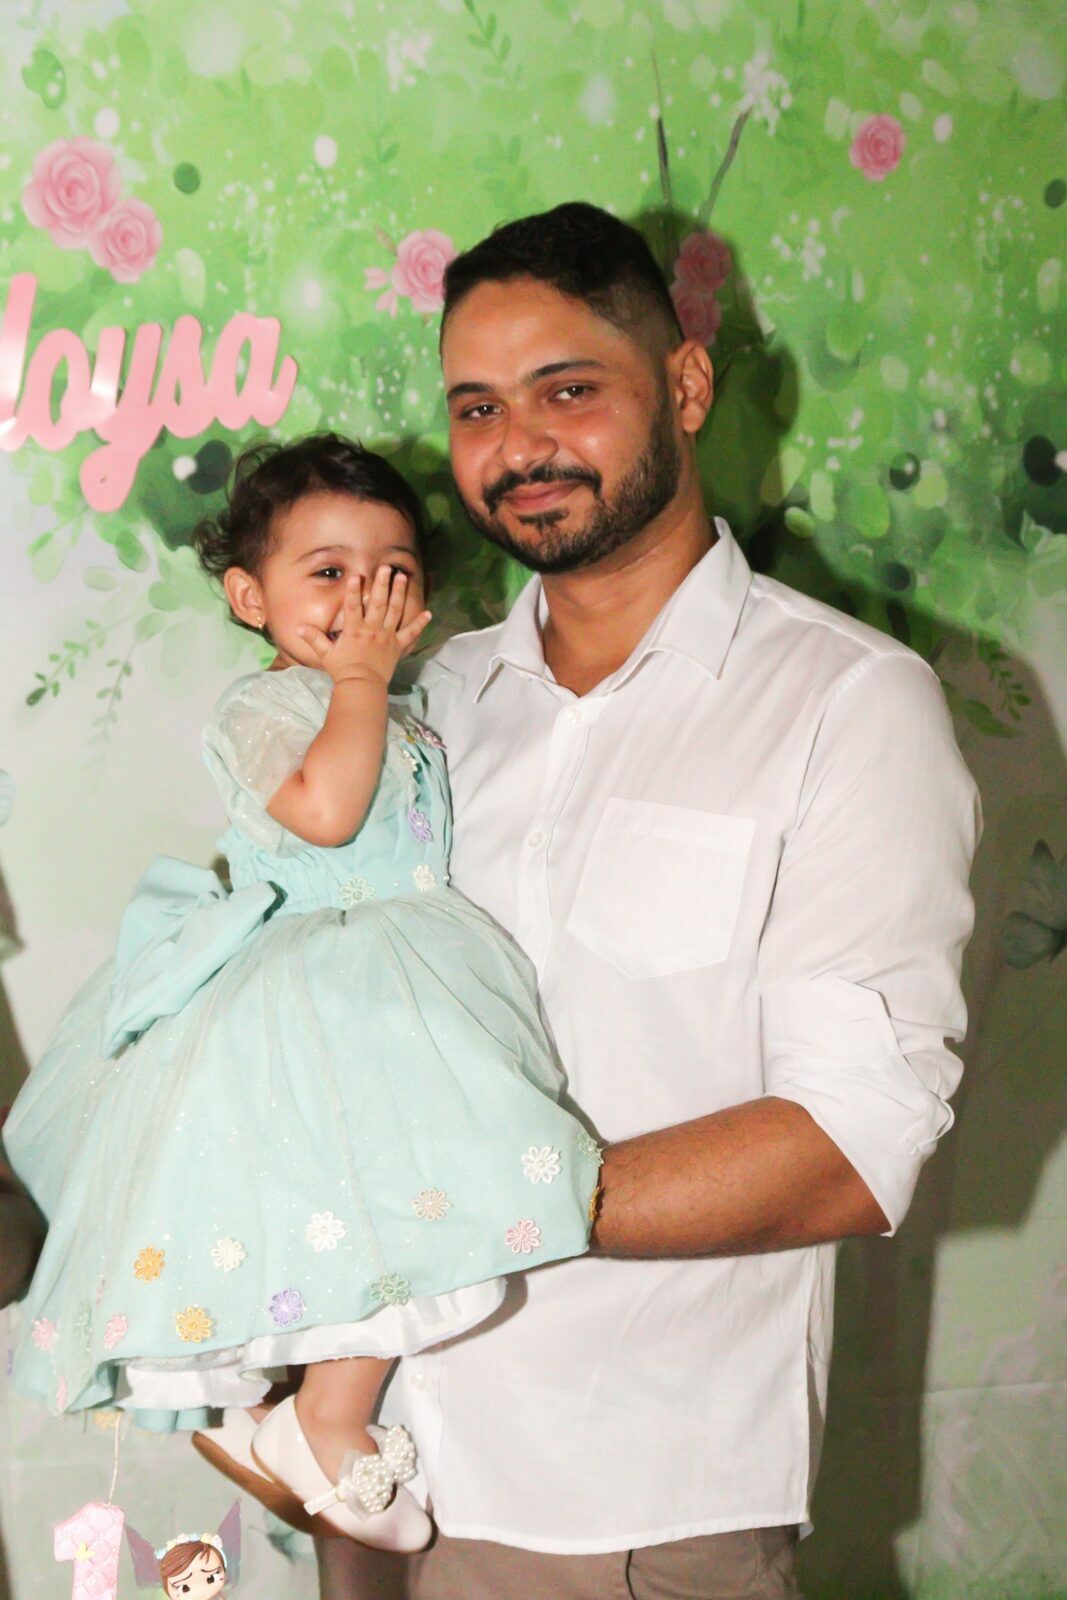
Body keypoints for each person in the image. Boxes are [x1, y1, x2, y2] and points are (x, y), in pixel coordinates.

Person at [317, 202, 980, 1599]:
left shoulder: (844, 704)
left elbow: (849, 1142)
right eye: (476, 407)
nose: (517, 446)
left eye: (566, 390)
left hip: (635, 1510)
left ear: (683, 385)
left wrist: (487, 1198)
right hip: (377, 1477)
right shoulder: (427, 707)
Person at [2, 434, 600, 1553]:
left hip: (409, 967)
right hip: (329, 980)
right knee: (377, 1192)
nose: (363, 598)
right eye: (328, 573)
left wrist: (374, 689)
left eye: (392, 572)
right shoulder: (265, 707)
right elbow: (324, 813)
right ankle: (324, 1411)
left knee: (414, 1198)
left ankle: (307, 1414)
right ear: (249, 597)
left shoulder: (403, 705)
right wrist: (362, 683)